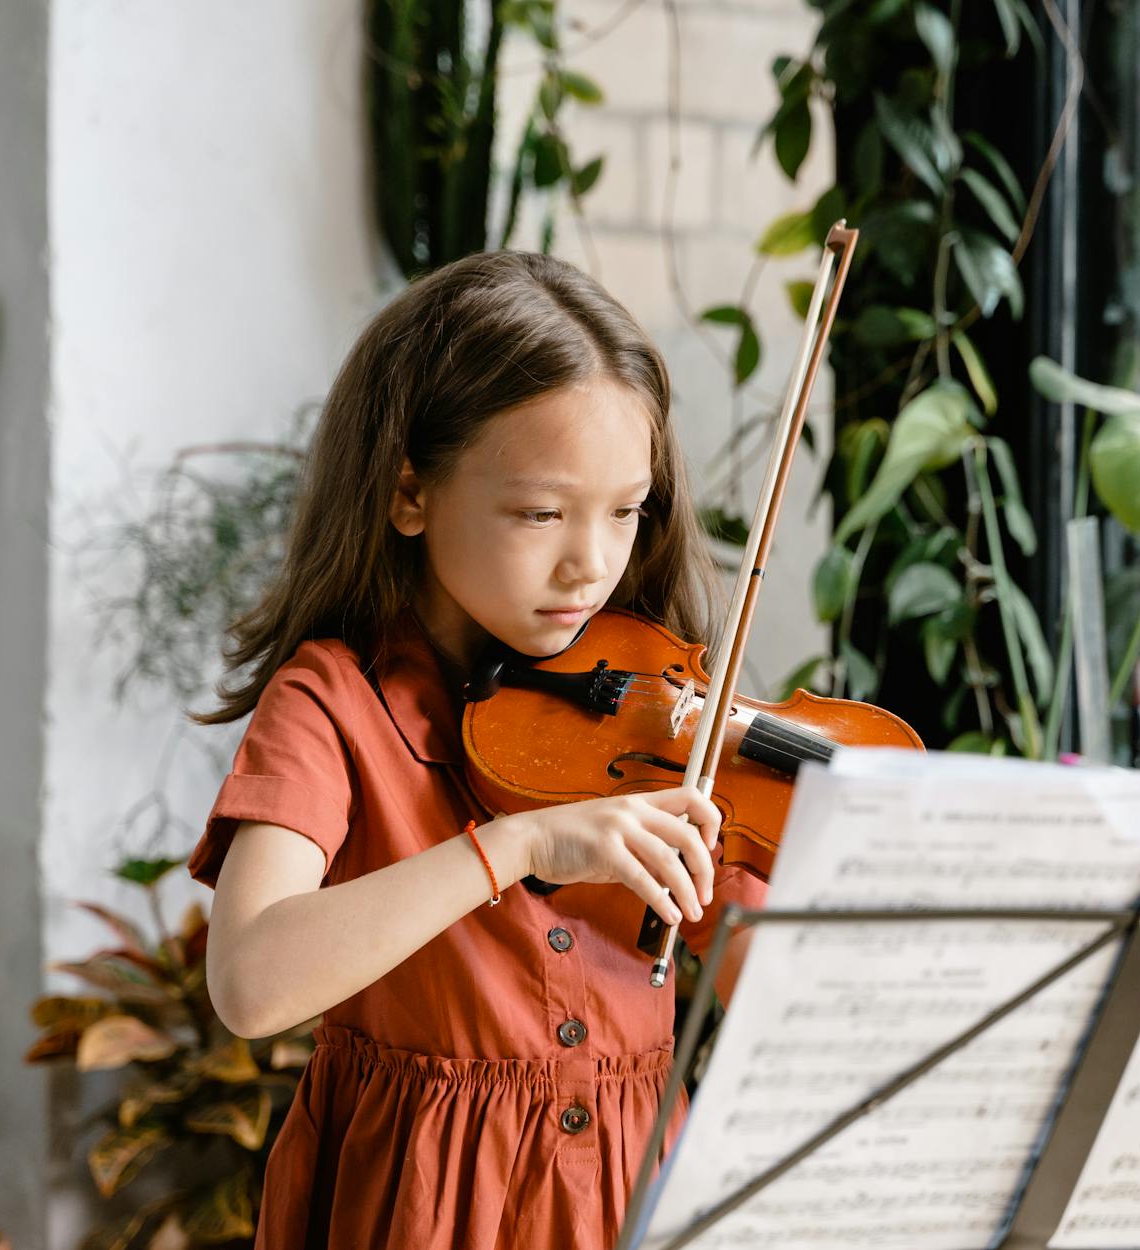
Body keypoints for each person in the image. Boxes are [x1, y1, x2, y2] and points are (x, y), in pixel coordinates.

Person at [185, 250, 765, 1249]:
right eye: (541, 512)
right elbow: (250, 980)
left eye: (625, 510)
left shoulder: (658, 718)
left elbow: (759, 965)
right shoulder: (333, 704)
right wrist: (521, 848)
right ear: (410, 493)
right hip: (417, 1211)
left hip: (628, 1203)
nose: (591, 560)